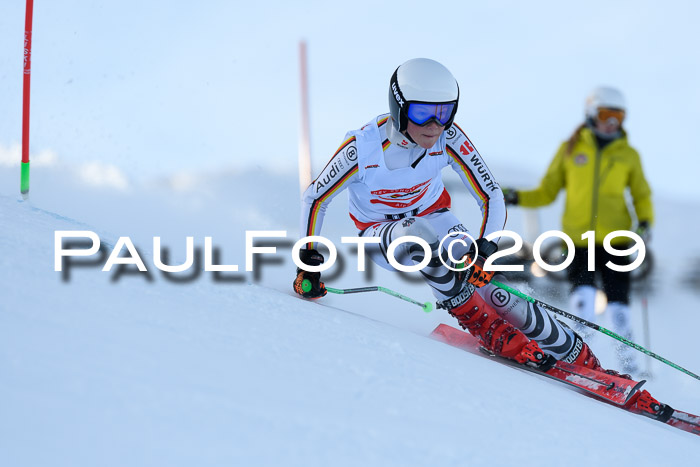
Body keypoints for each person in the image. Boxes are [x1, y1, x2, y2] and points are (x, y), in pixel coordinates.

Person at [292, 58, 655, 402]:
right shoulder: (363, 148)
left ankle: (583, 359)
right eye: (422, 113)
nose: (435, 125)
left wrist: (484, 249)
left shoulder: (449, 137)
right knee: (417, 235)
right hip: (380, 234)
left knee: (490, 285)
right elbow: (315, 198)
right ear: (398, 107)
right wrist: (308, 264)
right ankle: (487, 328)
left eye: (445, 113)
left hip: (436, 217)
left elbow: (491, 195)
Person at [502, 86, 653, 374]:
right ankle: (575, 352)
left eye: (618, 117)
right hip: (578, 239)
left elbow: (641, 194)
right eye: (606, 115)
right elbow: (547, 191)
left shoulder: (628, 155)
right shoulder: (571, 149)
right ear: (591, 114)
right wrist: (518, 197)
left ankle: (630, 366)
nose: (612, 123)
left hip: (616, 239)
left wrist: (644, 222)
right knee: (583, 298)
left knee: (618, 306)